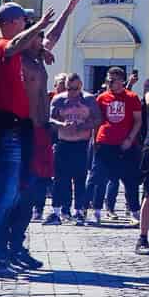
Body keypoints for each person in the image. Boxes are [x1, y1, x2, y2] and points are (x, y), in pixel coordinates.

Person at [0, 1, 60, 278]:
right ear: (11, 22)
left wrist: (64, 15)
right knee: (3, 197)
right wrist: (40, 25)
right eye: (24, 21)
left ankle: (0, 254)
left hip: (17, 129)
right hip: (5, 129)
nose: (28, 26)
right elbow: (14, 45)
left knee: (12, 195)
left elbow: (39, 41)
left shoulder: (22, 51)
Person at [88, 67, 143, 226]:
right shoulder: (102, 98)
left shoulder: (132, 97)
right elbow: (97, 120)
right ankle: (96, 211)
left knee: (130, 180)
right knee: (100, 178)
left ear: (121, 80)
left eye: (112, 80)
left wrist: (130, 139)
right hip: (105, 142)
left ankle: (134, 212)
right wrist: (95, 140)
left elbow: (138, 120)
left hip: (126, 144)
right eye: (107, 80)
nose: (109, 83)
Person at [49, 74, 97, 224]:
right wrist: (62, 124)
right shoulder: (59, 99)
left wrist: (84, 125)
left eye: (75, 89)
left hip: (81, 143)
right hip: (64, 142)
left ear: (81, 86)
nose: (72, 92)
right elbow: (49, 118)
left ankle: (79, 211)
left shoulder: (88, 99)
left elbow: (98, 119)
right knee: (60, 179)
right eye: (69, 88)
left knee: (80, 179)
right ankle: (57, 211)